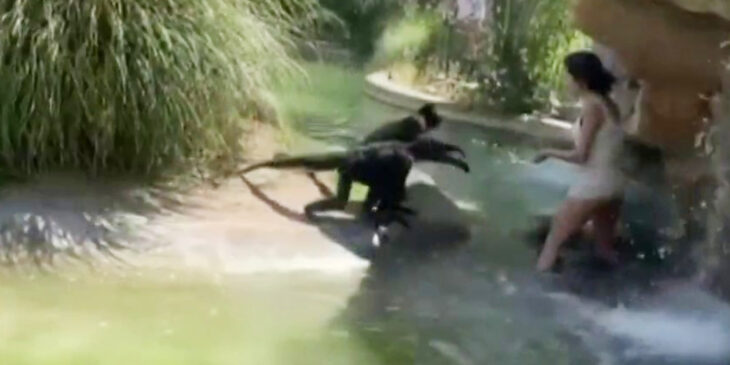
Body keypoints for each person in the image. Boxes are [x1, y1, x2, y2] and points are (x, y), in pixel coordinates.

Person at [533, 51, 627, 272]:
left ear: (581, 81)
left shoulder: (592, 107)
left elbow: (581, 155)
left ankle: (533, 295)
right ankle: (618, 298)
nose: (566, 81)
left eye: (568, 76)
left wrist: (548, 152)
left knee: (553, 242)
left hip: (593, 184)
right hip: (616, 183)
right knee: (605, 251)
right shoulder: (609, 103)